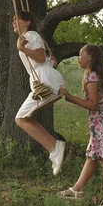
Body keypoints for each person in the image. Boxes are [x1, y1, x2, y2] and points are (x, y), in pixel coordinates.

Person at [58, 44, 103, 206]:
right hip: (102, 121)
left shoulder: (92, 77)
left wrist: (70, 97)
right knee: (93, 156)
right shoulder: (93, 75)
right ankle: (77, 190)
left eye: (80, 55)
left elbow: (93, 105)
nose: (78, 58)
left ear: (89, 57)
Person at [13, 11, 66, 176]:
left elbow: (41, 57)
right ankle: (54, 147)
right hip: (46, 80)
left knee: (20, 119)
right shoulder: (30, 36)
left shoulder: (30, 34)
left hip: (45, 82)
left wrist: (21, 48)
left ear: (27, 21)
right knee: (24, 118)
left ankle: (55, 147)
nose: (13, 22)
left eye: (17, 19)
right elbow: (49, 60)